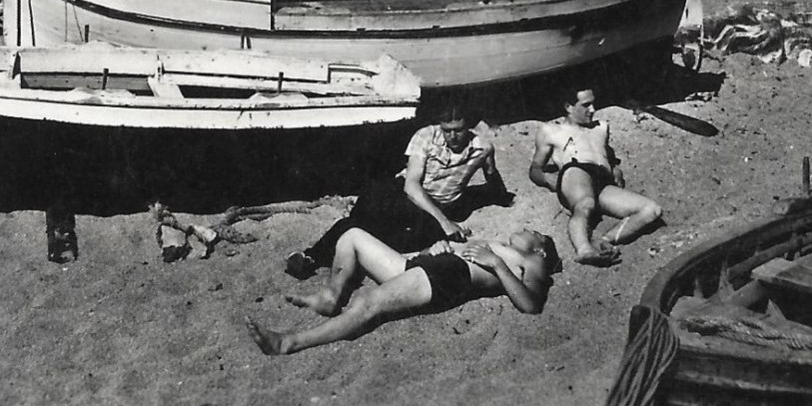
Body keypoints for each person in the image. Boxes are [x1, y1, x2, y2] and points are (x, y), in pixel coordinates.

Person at [248, 226, 558, 356]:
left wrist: (497, 265)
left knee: (368, 302)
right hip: (433, 265)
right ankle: (331, 296)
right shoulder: (509, 248)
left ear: (541, 250)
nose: (525, 229)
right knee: (352, 235)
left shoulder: (533, 265)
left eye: (533, 232)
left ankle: (289, 342)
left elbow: (530, 305)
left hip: (451, 277)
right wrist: (444, 247)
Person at [284, 101, 509, 279]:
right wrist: (445, 222)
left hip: (433, 205)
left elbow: (491, 176)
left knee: (367, 228)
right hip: (406, 192)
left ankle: (311, 257)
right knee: (374, 192)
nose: (451, 137)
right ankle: (321, 252)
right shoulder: (426, 136)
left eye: (458, 130)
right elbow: (411, 185)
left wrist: (500, 195)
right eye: (447, 130)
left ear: (468, 126)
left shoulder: (483, 148)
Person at [529, 86, 663, 267]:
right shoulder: (551, 131)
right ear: (568, 106)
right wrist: (549, 180)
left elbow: (606, 155)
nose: (592, 110)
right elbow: (535, 168)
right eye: (586, 105)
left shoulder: (601, 128)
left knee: (651, 209)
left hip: (602, 181)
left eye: (593, 104)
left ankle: (604, 239)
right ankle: (584, 250)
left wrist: (614, 168)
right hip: (576, 171)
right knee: (585, 204)